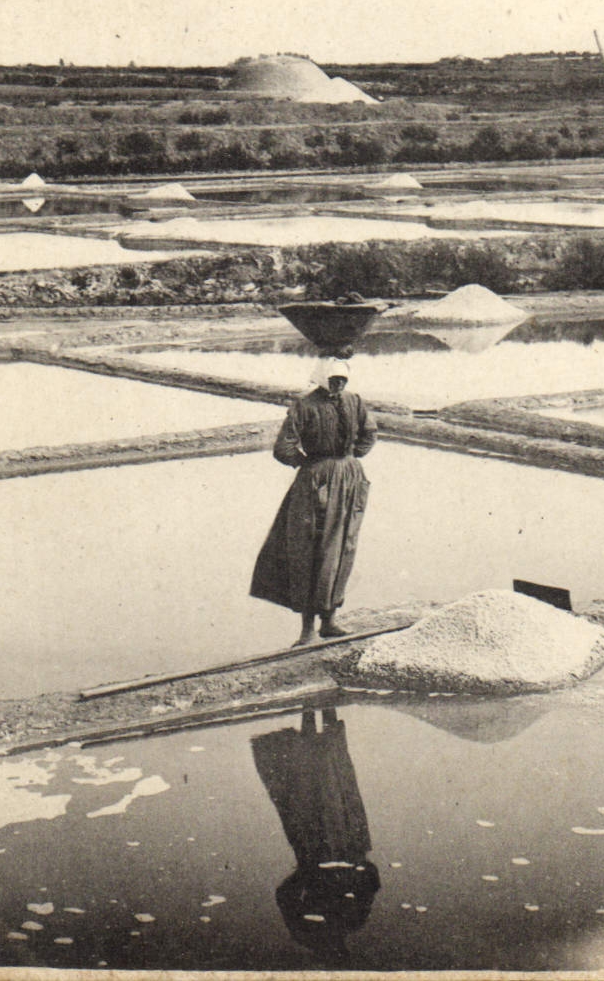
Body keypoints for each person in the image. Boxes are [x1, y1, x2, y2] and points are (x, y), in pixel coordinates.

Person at [251, 357, 377, 646]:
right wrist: (309, 465)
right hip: (314, 484)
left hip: (349, 480)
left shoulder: (354, 401)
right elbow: (283, 447)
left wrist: (353, 457)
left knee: (341, 548)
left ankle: (329, 620)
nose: (338, 384)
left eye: (342, 379)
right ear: (322, 379)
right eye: (333, 379)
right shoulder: (304, 406)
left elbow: (370, 432)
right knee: (308, 551)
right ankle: (307, 629)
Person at [252, 704, 380, 966]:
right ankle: (322, 705)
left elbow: (284, 896)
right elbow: (372, 880)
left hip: (316, 849)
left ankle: (313, 706)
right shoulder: (350, 921)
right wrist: (357, 867)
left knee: (309, 785)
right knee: (330, 778)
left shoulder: (307, 932)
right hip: (341, 843)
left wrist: (307, 874)